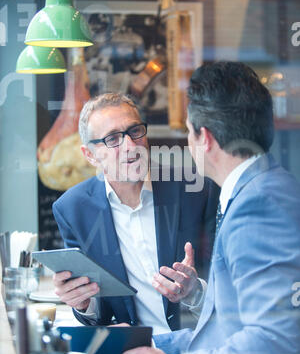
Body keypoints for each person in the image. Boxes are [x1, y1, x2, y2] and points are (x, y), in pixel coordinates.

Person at [120, 61, 300, 354]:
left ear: (205, 138)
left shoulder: (259, 205)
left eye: (188, 131)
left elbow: (275, 339)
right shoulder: (261, 189)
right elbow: (235, 324)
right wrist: (156, 346)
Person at [52, 93, 219, 334]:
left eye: (135, 131)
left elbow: (232, 292)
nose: (130, 146)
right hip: (131, 351)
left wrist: (195, 292)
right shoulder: (72, 209)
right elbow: (101, 313)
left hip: (195, 347)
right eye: (113, 139)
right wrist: (84, 303)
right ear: (90, 155)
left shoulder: (196, 191)